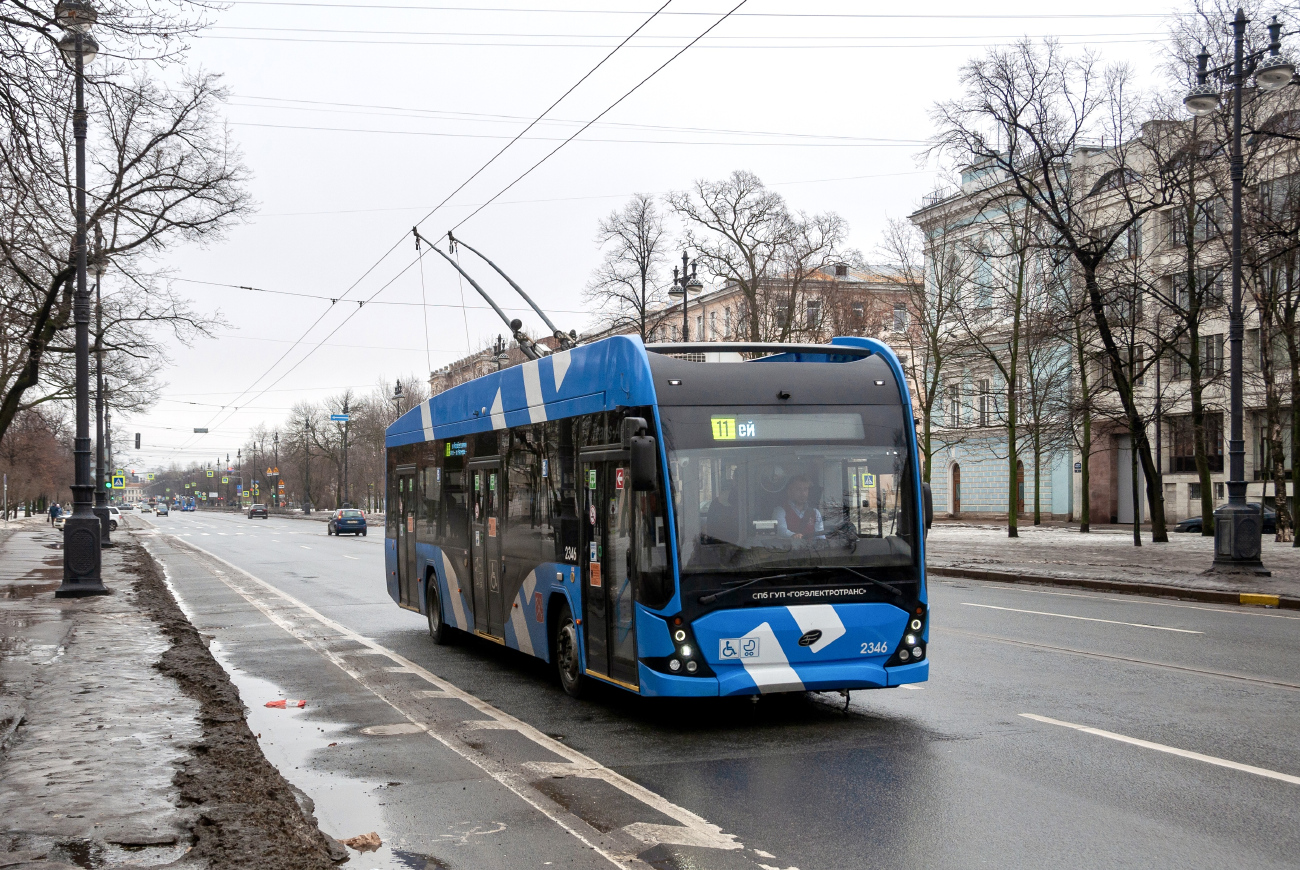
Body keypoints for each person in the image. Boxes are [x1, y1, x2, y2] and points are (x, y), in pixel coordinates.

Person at [773, 475, 824, 540]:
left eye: (805, 489)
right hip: (787, 549)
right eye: (798, 489)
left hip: (812, 549)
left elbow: (820, 536)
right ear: (789, 492)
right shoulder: (780, 511)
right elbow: (781, 530)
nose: (803, 493)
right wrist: (794, 535)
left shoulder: (816, 513)